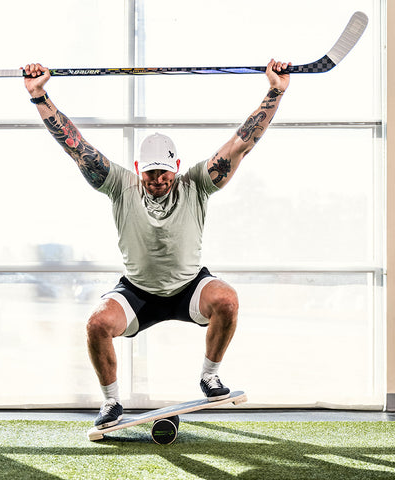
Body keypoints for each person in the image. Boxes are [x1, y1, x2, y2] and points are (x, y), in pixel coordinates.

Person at [23, 59, 291, 429]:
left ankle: (210, 377)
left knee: (226, 299)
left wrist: (276, 90)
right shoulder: (120, 184)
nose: (157, 180)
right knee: (97, 323)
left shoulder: (197, 182)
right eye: (149, 172)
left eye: (163, 171)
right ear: (138, 169)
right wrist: (39, 95)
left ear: (176, 166)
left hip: (189, 286)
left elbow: (242, 143)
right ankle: (112, 402)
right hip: (138, 291)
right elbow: (76, 146)